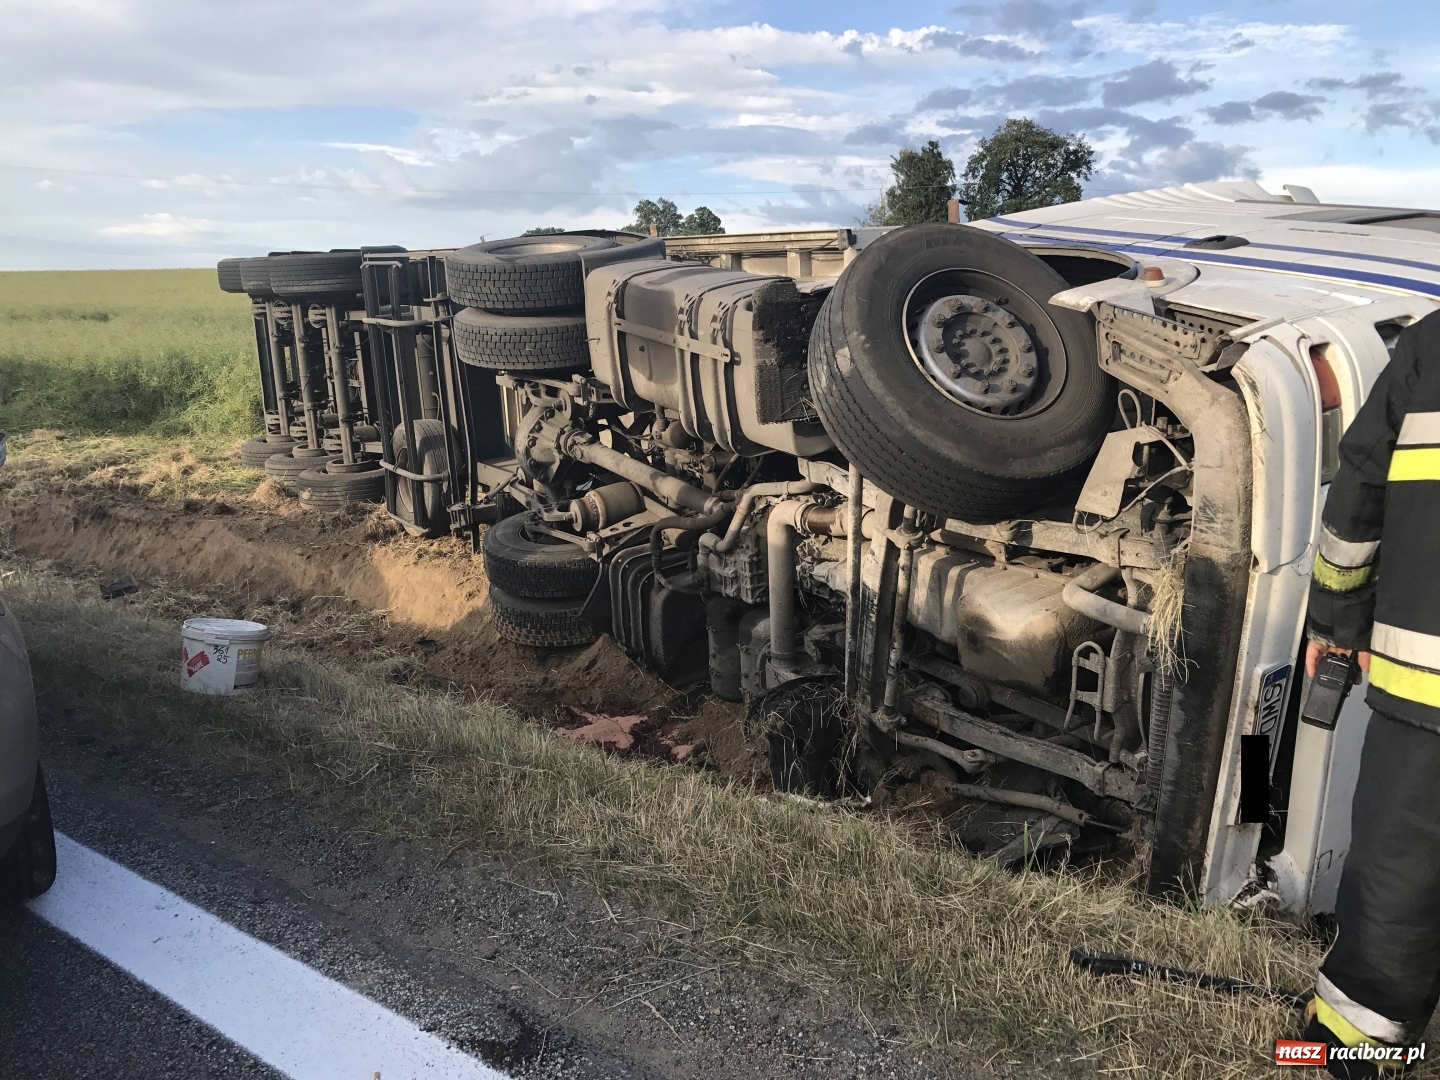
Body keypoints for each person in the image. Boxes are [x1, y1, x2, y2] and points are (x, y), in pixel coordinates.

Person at [1303, 310, 1440, 1077]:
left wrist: (1334, 616)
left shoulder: (1431, 342)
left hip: (1425, 687)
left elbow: (1359, 485)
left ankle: (1356, 1052)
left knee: (1400, 869)